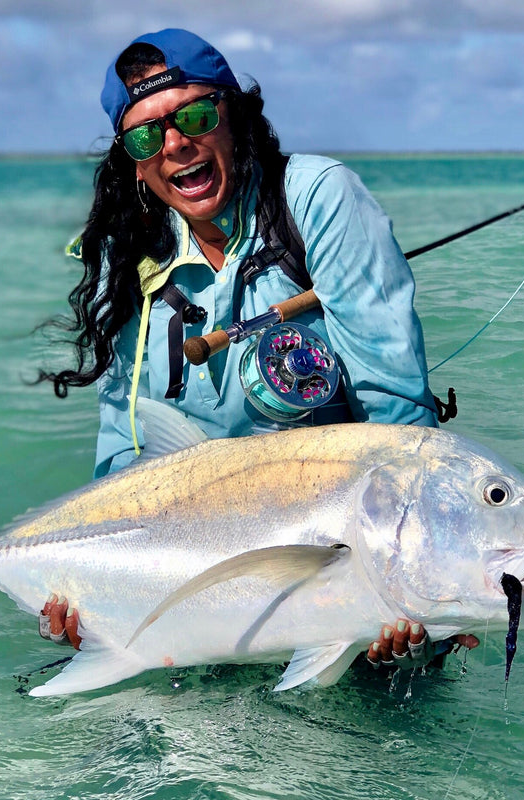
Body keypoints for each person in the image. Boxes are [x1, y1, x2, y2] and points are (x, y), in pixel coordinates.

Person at [36, 29, 476, 670]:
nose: (176, 143)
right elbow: (127, 457)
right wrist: (97, 593)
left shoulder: (317, 199)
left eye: (193, 115)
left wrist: (412, 577)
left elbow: (396, 413)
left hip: (335, 559)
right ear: (132, 162)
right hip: (196, 590)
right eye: (146, 135)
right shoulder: (125, 253)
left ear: (235, 114)